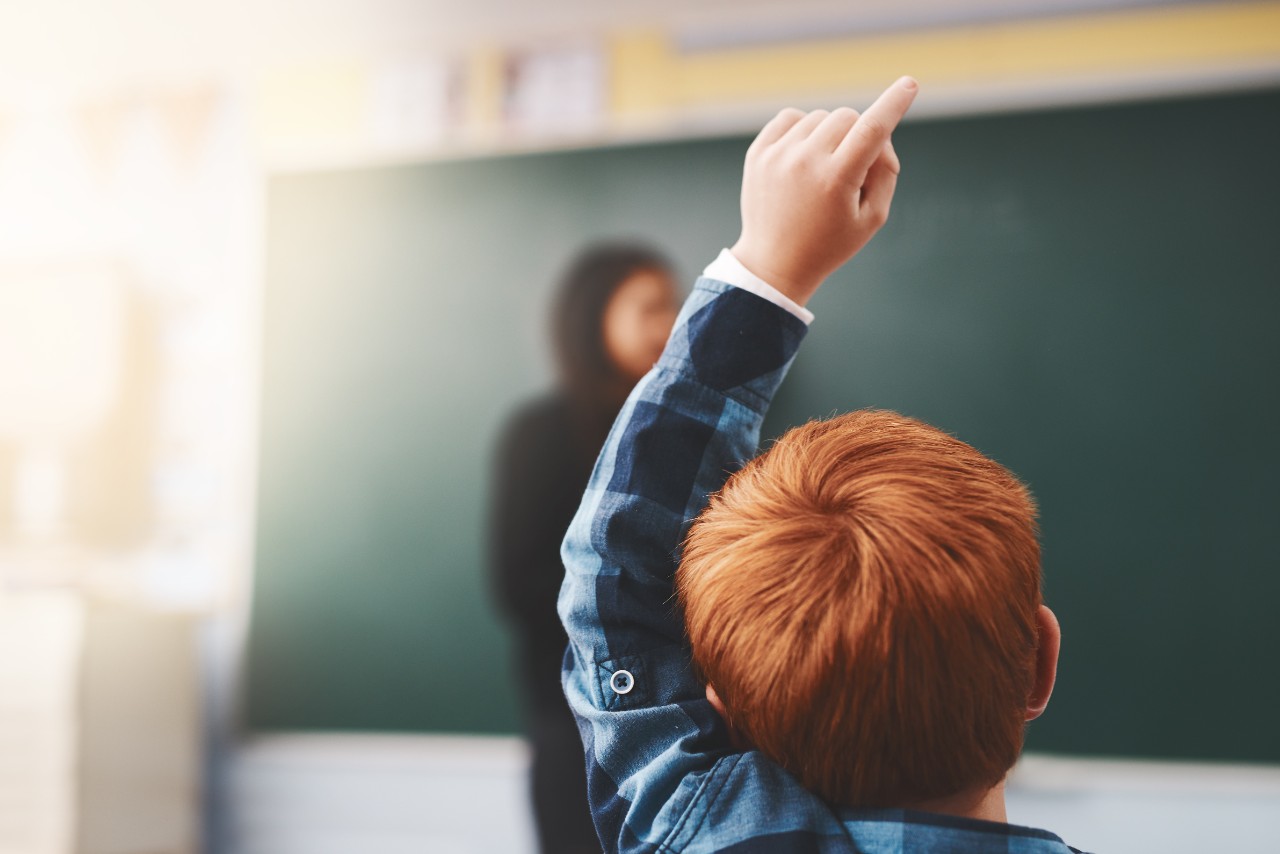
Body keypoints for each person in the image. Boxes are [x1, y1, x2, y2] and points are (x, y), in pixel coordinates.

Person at [558, 77, 1084, 852]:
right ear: (1040, 662)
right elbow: (620, 603)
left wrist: (765, 271)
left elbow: (616, 590)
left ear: (724, 707)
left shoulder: (702, 836)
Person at [490, 243, 680, 854]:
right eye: (650, 306)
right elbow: (518, 583)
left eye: (673, 305)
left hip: (680, 720)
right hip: (573, 722)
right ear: (594, 316)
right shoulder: (542, 433)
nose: (670, 324)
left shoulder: (679, 433)